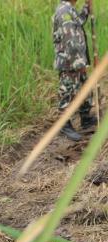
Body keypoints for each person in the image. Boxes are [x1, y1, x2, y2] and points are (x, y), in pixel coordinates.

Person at [53, 0, 97, 141]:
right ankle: (63, 124)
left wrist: (86, 9)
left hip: (77, 60)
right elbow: (70, 41)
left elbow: (77, 22)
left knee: (84, 88)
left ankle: (86, 118)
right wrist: (79, 63)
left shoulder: (69, 9)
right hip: (70, 62)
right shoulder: (64, 12)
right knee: (68, 91)